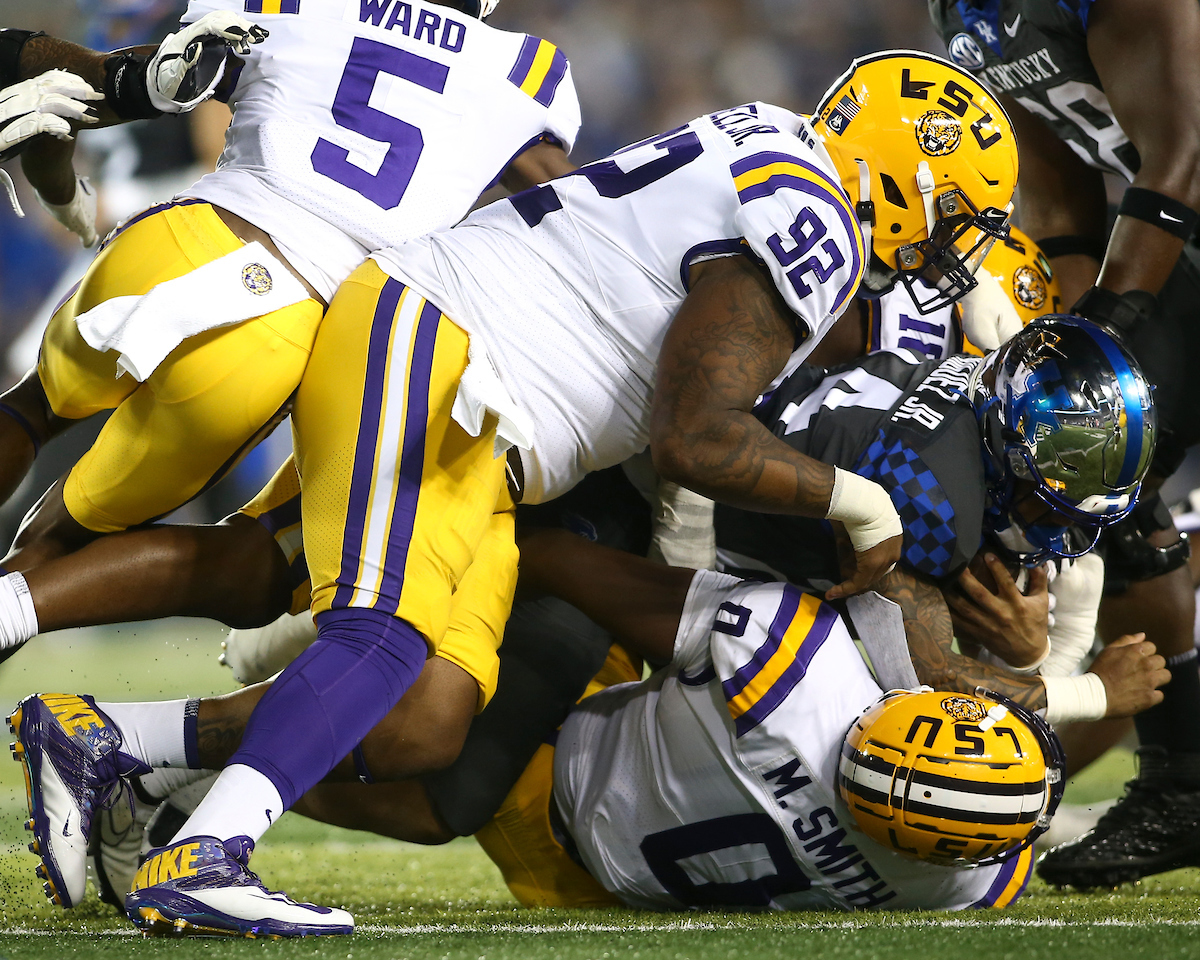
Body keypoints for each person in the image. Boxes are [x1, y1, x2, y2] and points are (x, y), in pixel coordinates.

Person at [10, 51, 1019, 937]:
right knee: (378, 633)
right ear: (906, 177)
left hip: (484, 418)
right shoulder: (817, 220)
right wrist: (862, 504)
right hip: (449, 353)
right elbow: (696, 436)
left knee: (428, 712)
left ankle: (114, 745)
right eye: (955, 217)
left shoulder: (782, 150)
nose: (952, 248)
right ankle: (205, 857)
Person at [0, 0, 580, 591]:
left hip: (184, 236)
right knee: (59, 540)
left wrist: (57, 181)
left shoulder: (301, 4)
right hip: (284, 324)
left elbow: (99, 88)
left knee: (29, 407)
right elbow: (569, 217)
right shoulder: (526, 70)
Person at [929, 0, 1200, 888]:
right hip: (1179, 240)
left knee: (1091, 453)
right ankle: (1182, 784)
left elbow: (1187, 149)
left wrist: (1113, 321)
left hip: (1184, 216)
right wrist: (1074, 327)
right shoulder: (961, 9)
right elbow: (1056, 184)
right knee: (1089, 461)